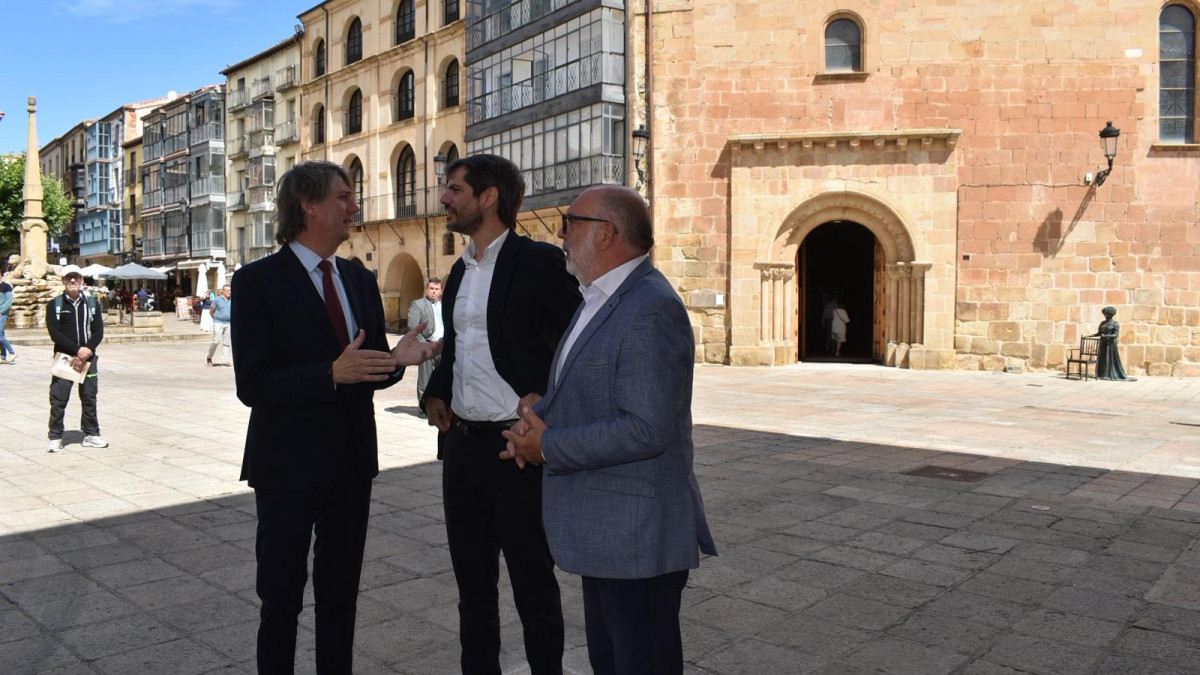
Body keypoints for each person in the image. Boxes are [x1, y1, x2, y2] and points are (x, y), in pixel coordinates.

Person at [231, 160, 440, 674]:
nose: (355, 206)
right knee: (280, 598)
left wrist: (396, 361)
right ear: (309, 205)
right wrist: (328, 373)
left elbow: (365, 370)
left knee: (340, 595)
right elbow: (252, 384)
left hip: (351, 464)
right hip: (286, 467)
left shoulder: (358, 278)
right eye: (344, 196)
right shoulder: (257, 281)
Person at [501, 185, 716, 675]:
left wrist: (547, 446)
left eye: (571, 222)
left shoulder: (649, 307)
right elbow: (596, 387)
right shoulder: (599, 296)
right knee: (612, 661)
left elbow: (645, 429)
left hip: (636, 538)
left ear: (606, 234)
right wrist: (543, 411)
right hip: (610, 535)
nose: (561, 233)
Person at [423, 154, 581, 675]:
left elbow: (577, 343)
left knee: (533, 586)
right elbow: (460, 347)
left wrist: (544, 396)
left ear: (488, 198)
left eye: (454, 189)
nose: (444, 198)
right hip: (463, 450)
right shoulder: (458, 268)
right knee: (473, 590)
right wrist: (437, 393)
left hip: (516, 450)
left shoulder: (536, 263)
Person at [46, 265, 108, 452]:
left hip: (89, 358)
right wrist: (76, 351)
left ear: (81, 280)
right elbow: (54, 333)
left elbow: (98, 330)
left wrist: (87, 350)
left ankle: (91, 434)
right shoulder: (55, 305)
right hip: (65, 357)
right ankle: (56, 436)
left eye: (76, 277)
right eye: (68, 278)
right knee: (59, 398)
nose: (72, 281)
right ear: (63, 281)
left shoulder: (92, 303)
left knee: (89, 397)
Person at [407, 277, 443, 415]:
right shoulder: (418, 304)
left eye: (436, 289)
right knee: (425, 378)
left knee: (443, 377)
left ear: (441, 290)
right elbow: (413, 327)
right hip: (427, 345)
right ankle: (424, 409)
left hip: (444, 346)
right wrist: (424, 345)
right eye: (431, 289)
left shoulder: (445, 305)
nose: (433, 292)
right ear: (426, 289)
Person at [1093, 306, 1130, 380]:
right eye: (1104, 314)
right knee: (1102, 358)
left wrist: (1106, 335)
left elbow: (1115, 335)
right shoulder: (1103, 323)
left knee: (1109, 358)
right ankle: (1102, 374)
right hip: (1103, 343)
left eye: (1106, 314)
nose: (1105, 315)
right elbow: (1099, 333)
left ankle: (1108, 374)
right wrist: (1092, 335)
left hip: (1110, 344)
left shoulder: (1115, 324)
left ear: (1111, 314)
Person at [206, 284, 232, 367]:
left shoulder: (232, 300)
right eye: (228, 290)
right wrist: (215, 320)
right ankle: (209, 357)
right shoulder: (217, 300)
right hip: (218, 322)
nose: (230, 292)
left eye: (230, 290)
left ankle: (225, 360)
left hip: (228, 323)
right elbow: (211, 311)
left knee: (227, 343)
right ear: (223, 291)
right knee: (216, 341)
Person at [0, 270, 16, 364]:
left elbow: (9, 301)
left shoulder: (6, 286)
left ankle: (12, 352)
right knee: (1, 334)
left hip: (2, 313)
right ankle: (3, 356)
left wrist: (1, 311)